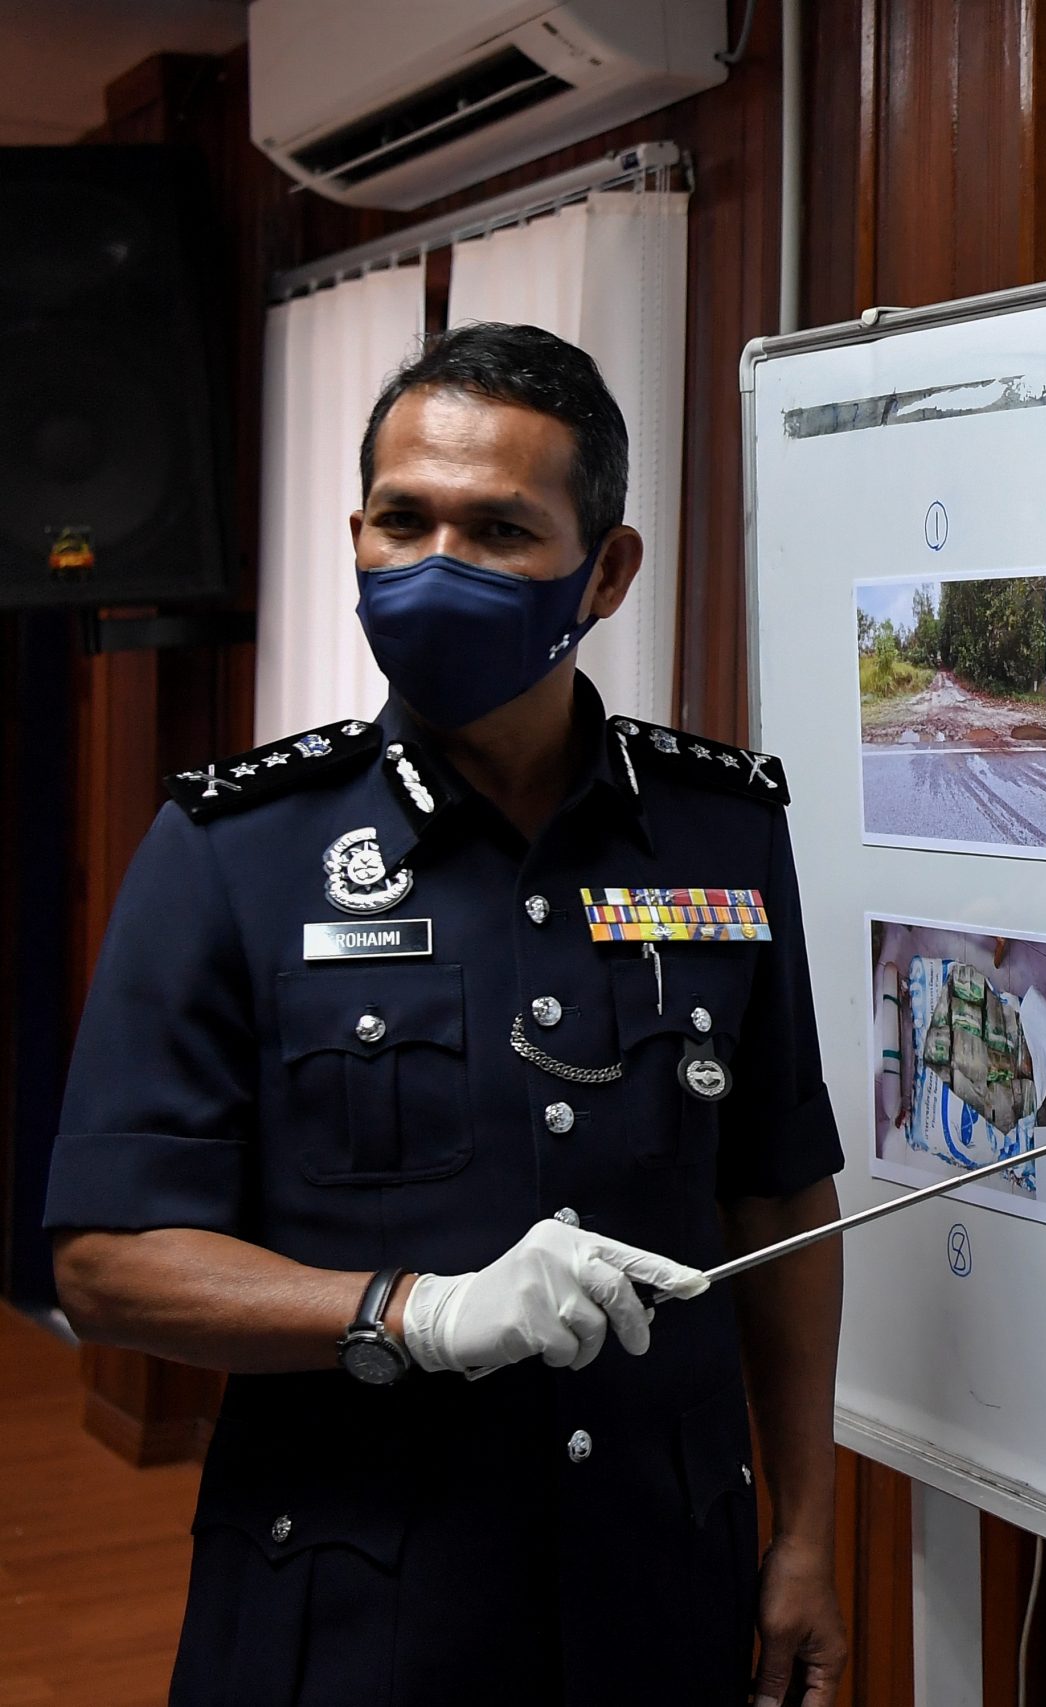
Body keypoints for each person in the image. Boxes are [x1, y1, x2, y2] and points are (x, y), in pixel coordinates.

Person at [46, 323, 849, 1706]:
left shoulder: (719, 836)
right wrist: (411, 1313)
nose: (434, 568)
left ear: (607, 570)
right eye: (401, 520)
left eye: (497, 532)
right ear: (353, 532)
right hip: (355, 1601)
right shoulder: (235, 849)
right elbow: (108, 1262)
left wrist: (808, 1534)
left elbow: (779, 1204)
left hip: (661, 1583)